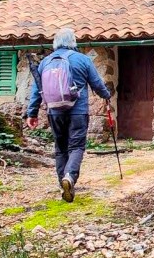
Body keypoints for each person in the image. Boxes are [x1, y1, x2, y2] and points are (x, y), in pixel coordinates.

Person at [26, 28, 112, 203]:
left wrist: (32, 113)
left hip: (54, 111)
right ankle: (70, 177)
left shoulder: (45, 62)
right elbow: (97, 84)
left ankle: (62, 183)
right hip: (78, 111)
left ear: (55, 43)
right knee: (76, 147)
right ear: (73, 42)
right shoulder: (83, 60)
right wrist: (107, 96)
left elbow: (37, 90)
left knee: (60, 148)